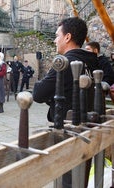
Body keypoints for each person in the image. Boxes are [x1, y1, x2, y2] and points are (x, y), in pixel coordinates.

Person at [33, 17, 99, 188]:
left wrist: (48, 94)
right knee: (80, 179)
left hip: (69, 130)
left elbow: (38, 93)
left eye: (57, 35)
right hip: (87, 127)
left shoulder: (65, 62)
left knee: (67, 181)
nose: (55, 40)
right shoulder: (91, 61)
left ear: (67, 37)